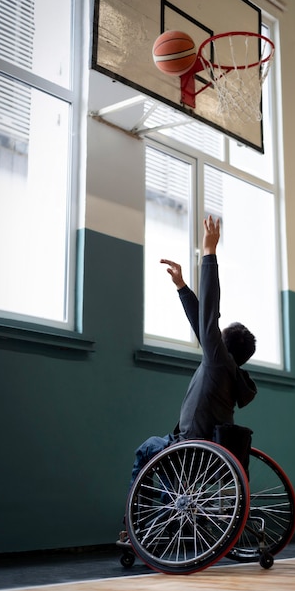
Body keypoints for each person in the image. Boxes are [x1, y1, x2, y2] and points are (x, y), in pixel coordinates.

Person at [118, 215, 257, 544]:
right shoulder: (229, 371)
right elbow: (203, 325)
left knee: (146, 453)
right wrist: (182, 288)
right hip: (210, 454)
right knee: (161, 459)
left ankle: (135, 528)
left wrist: (209, 253)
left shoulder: (217, 361)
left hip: (188, 448)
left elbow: (209, 314)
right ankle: (167, 519)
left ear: (222, 344)